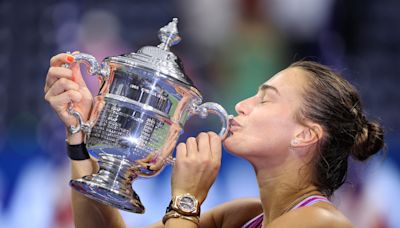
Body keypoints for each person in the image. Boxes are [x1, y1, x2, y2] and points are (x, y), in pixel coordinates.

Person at [44, 53, 384, 227]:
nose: (241, 105)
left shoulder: (319, 223)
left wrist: (186, 201)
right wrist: (82, 133)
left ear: (305, 134)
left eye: (265, 99)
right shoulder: (246, 215)